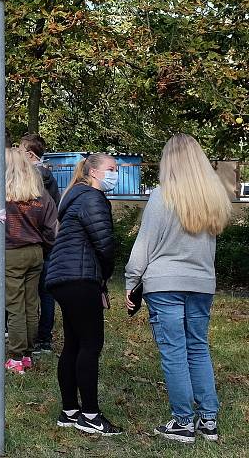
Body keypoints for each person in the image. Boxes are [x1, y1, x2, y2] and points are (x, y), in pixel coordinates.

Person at [126, 134, 231, 443]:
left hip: (165, 283)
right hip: (201, 283)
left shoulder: (162, 196)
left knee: (174, 351)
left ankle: (183, 422)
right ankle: (208, 420)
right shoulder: (213, 199)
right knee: (198, 347)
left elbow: (143, 246)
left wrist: (132, 284)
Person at [45, 152, 121, 436]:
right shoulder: (92, 198)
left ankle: (69, 410)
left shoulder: (74, 196)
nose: (115, 173)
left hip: (62, 277)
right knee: (91, 344)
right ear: (93, 172)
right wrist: (106, 272)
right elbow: (104, 243)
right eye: (111, 168)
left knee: (74, 344)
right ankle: (90, 414)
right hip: (80, 276)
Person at [0, 148, 57, 370]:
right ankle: (27, 352)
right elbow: (52, 229)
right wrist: (42, 244)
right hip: (35, 252)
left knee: (15, 306)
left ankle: (16, 357)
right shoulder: (40, 193)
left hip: (10, 252)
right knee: (31, 303)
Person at [20, 134, 62, 353]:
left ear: (29, 154)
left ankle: (31, 335)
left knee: (29, 292)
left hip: (31, 240)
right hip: (48, 242)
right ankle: (43, 338)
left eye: (19, 149)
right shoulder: (50, 178)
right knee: (46, 293)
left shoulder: (29, 178)